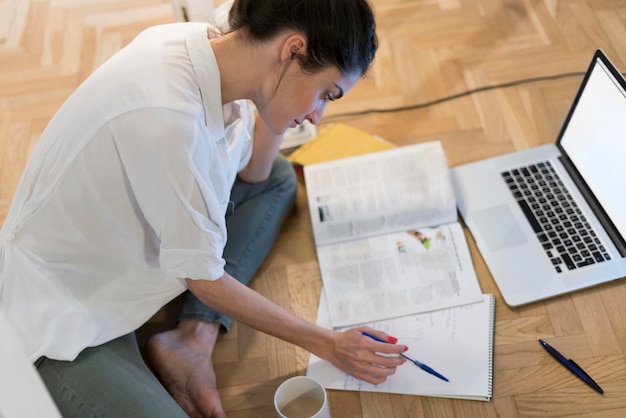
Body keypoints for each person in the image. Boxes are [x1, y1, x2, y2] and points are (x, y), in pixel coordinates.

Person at [0, 0, 408, 416]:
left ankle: (192, 341)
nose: (318, 115)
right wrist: (328, 343)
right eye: (326, 94)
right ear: (292, 50)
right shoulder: (169, 116)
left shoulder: (215, 50)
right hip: (63, 314)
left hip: (127, 267)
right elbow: (204, 278)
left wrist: (282, 115)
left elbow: (254, 174)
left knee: (278, 179)